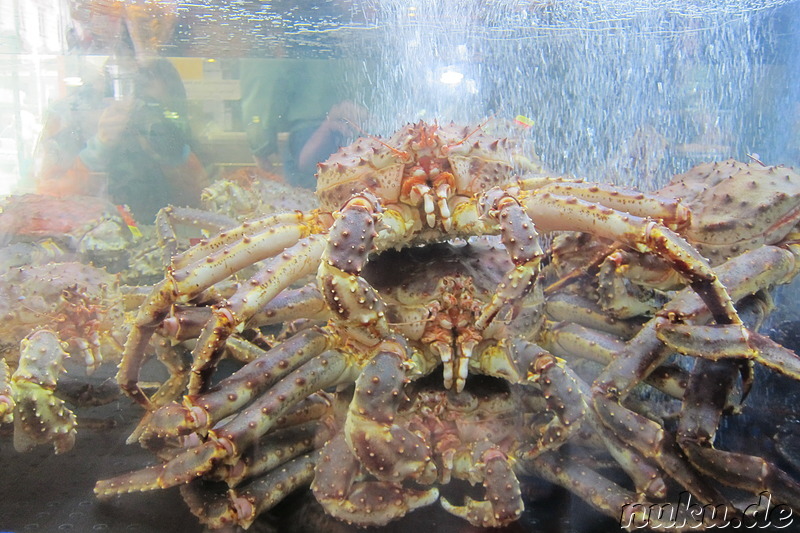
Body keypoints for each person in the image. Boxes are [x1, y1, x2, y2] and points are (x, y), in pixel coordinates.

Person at [32, 57, 209, 222]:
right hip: (95, 238)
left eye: (150, 105)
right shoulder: (71, 134)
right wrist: (97, 149)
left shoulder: (175, 138)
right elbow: (48, 204)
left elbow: (205, 204)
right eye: (122, 98)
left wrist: (173, 155)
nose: (136, 113)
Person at [241, 58, 368, 188]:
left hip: (308, 127)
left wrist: (260, 144)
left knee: (311, 198)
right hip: (367, 125)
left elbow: (263, 75)